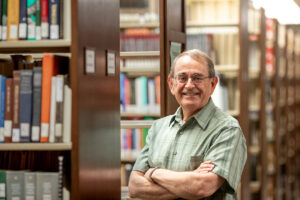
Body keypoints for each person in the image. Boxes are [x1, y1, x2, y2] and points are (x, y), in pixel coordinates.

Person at [128, 49, 247, 199]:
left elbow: (202, 187)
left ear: (213, 84)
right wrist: (189, 181)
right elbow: (134, 186)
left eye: (197, 78)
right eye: (182, 78)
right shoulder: (158, 128)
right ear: (171, 84)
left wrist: (153, 173)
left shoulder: (228, 130)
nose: (189, 85)